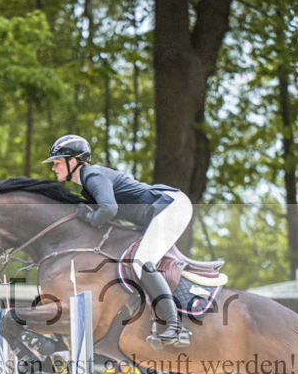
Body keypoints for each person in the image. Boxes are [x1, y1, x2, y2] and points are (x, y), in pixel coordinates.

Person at [44, 134, 193, 347]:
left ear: (73, 161)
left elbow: (109, 209)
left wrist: (88, 216)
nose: (53, 167)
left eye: (57, 162)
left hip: (171, 207)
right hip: (158, 210)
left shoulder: (93, 175)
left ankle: (176, 327)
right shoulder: (88, 183)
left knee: (141, 262)